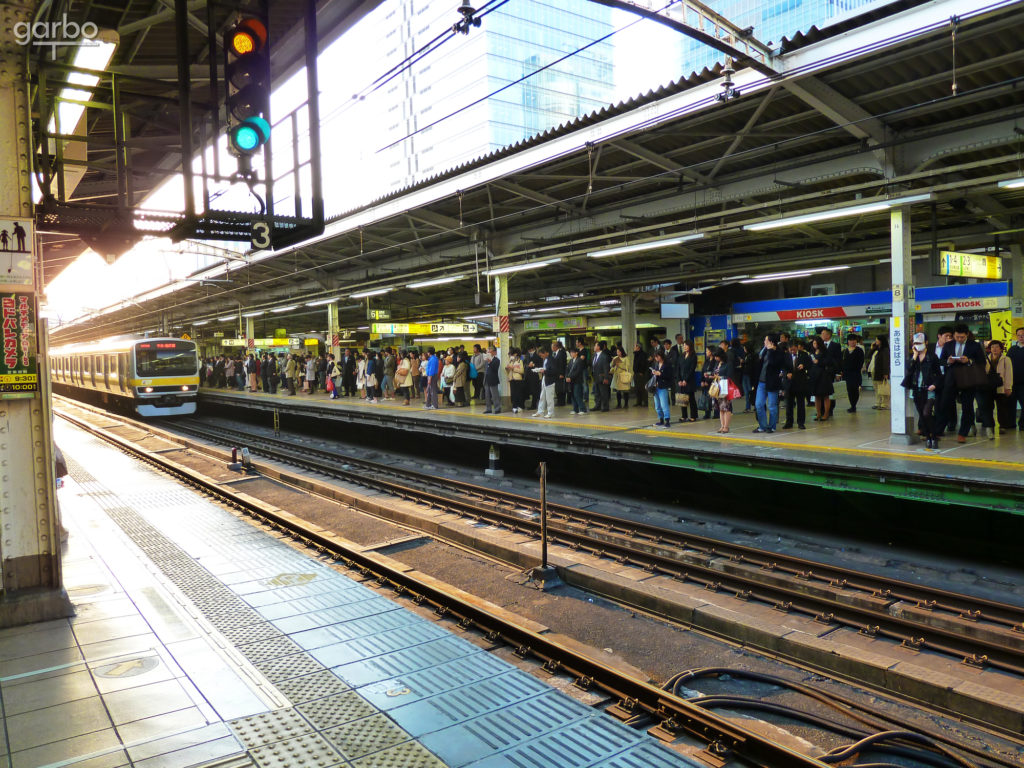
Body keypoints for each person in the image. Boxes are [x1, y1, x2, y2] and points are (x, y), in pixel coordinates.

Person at [937, 323, 985, 443]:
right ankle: (938, 430)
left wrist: (969, 360)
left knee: (967, 406)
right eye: (957, 337)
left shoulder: (974, 346)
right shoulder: (948, 345)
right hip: (951, 378)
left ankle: (963, 432)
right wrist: (948, 361)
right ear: (954, 335)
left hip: (968, 378)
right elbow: (941, 361)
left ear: (967, 335)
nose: (959, 339)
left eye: (962, 337)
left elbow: (981, 362)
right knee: (945, 404)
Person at [902, 333, 943, 449]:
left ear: (926, 343)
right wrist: (914, 356)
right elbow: (909, 370)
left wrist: (935, 385)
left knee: (927, 413)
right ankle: (928, 437)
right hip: (916, 389)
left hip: (929, 390)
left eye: (919, 343)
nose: (917, 345)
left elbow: (939, 375)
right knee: (921, 415)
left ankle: (933, 436)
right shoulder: (912, 358)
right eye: (915, 343)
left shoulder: (932, 357)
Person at [980, 340, 1013, 436]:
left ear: (1001, 348)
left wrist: (1008, 387)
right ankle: (990, 425)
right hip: (988, 387)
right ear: (989, 349)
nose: (994, 349)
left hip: (1001, 387)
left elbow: (1009, 374)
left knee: (1002, 407)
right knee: (988, 407)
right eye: (992, 347)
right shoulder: (986, 359)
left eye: (997, 347)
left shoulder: (1006, 359)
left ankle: (1002, 426)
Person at [754, 334, 784, 433]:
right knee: (758, 404)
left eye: (766, 340)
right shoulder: (765, 351)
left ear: (771, 342)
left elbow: (774, 363)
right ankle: (762, 426)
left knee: (772, 405)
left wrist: (771, 351)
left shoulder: (779, 352)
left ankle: (772, 426)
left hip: (772, 382)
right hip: (761, 381)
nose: (764, 342)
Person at [782, 338, 811, 429]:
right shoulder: (785, 356)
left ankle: (801, 422)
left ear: (797, 347)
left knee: (801, 404)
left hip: (800, 382)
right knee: (789, 404)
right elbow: (783, 367)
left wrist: (804, 366)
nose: (792, 351)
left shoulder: (804, 355)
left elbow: (810, 365)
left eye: (794, 349)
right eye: (790, 349)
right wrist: (787, 374)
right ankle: (789, 422)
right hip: (789, 383)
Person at [808, 336, 833, 422]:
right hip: (814, 375)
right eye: (813, 343)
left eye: (815, 343)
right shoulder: (812, 352)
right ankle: (818, 413)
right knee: (816, 395)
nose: (814, 345)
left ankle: (826, 413)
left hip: (823, 375)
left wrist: (819, 362)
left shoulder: (825, 351)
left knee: (825, 395)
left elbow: (829, 362)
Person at [820, 327, 842, 413]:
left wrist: (838, 372)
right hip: (821, 372)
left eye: (823, 334)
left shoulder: (836, 345)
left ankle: (830, 409)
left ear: (828, 335)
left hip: (831, 372)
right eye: (821, 334)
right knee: (821, 391)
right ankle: (821, 409)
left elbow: (838, 359)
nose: (821, 335)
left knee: (830, 391)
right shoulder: (819, 345)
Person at [840, 334, 865, 413]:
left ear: (856, 341)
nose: (852, 342)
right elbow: (841, 362)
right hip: (846, 374)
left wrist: (856, 368)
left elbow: (861, 362)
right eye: (850, 340)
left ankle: (854, 405)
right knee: (849, 390)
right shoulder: (844, 351)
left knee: (855, 389)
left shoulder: (859, 350)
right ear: (848, 341)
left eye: (854, 340)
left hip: (856, 373)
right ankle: (852, 405)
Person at [711, 348, 734, 434]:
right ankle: (722, 425)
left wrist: (720, 377)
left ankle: (726, 426)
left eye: (717, 356)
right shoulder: (717, 363)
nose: (715, 358)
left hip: (725, 387)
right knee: (720, 408)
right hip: (717, 387)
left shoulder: (728, 364)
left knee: (726, 407)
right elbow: (715, 373)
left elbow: (729, 376)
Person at [676, 339, 698, 422]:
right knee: (682, 398)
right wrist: (679, 380)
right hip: (681, 381)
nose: (684, 347)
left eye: (686, 345)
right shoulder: (681, 356)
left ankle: (693, 415)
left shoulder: (693, 356)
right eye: (684, 345)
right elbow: (678, 368)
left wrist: (686, 380)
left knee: (691, 399)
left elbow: (691, 369)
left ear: (690, 346)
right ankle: (684, 416)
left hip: (689, 381)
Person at [649, 350, 672, 428]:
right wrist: (653, 372)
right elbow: (653, 374)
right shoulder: (656, 364)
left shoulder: (667, 364)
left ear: (661, 356)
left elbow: (669, 376)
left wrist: (660, 374)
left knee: (664, 405)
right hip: (656, 387)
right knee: (657, 406)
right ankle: (661, 420)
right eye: (655, 357)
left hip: (663, 387)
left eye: (657, 356)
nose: (656, 358)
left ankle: (667, 421)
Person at [532, 347, 557, 419]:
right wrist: (541, 370)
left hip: (550, 380)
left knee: (549, 398)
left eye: (541, 355)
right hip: (545, 379)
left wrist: (544, 371)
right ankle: (540, 411)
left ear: (545, 352)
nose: (541, 357)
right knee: (542, 396)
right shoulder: (545, 359)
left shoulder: (551, 359)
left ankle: (550, 413)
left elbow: (554, 371)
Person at [1007, 327, 1024, 430]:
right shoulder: (1012, 349)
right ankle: (1010, 424)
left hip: (1023, 384)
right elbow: (1007, 365)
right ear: (1016, 336)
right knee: (1010, 405)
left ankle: (1022, 424)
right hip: (1012, 383)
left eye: (1023, 335)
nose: (1021, 337)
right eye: (1019, 335)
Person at [868, 336, 890, 410]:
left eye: (877, 339)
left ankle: (884, 404)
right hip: (874, 371)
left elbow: (886, 362)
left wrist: (886, 373)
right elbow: (869, 356)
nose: (875, 341)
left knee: (882, 388)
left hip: (881, 371)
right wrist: (872, 348)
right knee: (876, 388)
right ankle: (878, 403)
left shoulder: (885, 350)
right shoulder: (877, 349)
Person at [566, 346, 588, 415]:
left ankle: (583, 409)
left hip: (577, 380)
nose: (571, 354)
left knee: (577, 395)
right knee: (572, 395)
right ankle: (575, 409)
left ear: (576, 353)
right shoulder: (571, 361)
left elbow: (578, 371)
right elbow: (567, 370)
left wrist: (571, 377)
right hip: (571, 381)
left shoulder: (579, 361)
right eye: (570, 353)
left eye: (572, 352)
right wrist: (567, 377)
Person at [591, 341, 611, 412]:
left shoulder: (604, 356)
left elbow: (606, 368)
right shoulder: (594, 355)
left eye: (595, 346)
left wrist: (606, 378)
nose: (594, 347)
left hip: (601, 376)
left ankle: (605, 407)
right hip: (595, 376)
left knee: (603, 392)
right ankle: (597, 405)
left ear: (599, 347)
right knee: (597, 392)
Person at [506, 348, 526, 413]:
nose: (511, 356)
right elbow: (508, 370)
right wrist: (507, 368)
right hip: (511, 379)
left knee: (518, 393)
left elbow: (522, 371)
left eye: (513, 354)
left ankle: (520, 406)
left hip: (518, 379)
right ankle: (514, 406)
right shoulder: (511, 361)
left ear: (516, 354)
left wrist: (513, 368)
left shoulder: (520, 361)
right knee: (513, 394)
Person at [741, 341, 759, 413]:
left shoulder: (753, 356)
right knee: (747, 392)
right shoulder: (746, 355)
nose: (744, 349)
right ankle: (748, 407)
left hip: (749, 376)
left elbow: (752, 367)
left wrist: (744, 363)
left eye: (745, 348)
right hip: (745, 375)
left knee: (751, 391)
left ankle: (754, 406)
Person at [700, 346, 717, 419]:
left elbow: (714, 372)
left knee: (714, 398)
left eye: (707, 351)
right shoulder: (706, 361)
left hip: (712, 383)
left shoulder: (715, 361)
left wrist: (708, 381)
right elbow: (703, 371)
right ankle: (707, 412)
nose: (706, 352)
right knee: (706, 398)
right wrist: (702, 381)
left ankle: (716, 413)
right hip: (705, 382)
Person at [483, 346, 502, 414]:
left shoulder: (496, 360)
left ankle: (497, 408)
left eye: (489, 351)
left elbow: (495, 369)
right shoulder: (486, 361)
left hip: (493, 379)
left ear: (494, 352)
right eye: (487, 352)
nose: (488, 353)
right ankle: (488, 408)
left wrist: (490, 362)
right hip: (486, 379)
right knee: (487, 395)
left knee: (494, 395)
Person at [632, 342, 649, 409]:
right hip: (636, 373)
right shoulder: (636, 354)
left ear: (638, 347)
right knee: (637, 388)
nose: (634, 348)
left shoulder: (643, 354)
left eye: (635, 346)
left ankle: (645, 402)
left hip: (641, 373)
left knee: (642, 388)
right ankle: (638, 401)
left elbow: (644, 364)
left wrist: (642, 372)